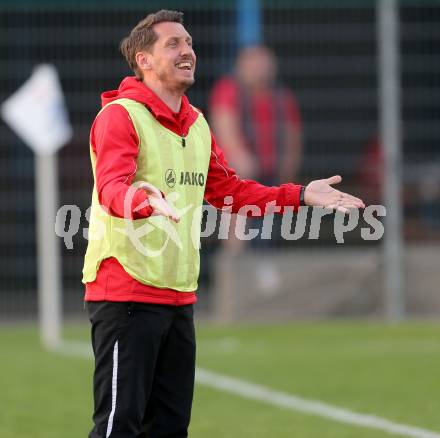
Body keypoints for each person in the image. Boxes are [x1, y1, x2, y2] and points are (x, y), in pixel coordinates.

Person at [82, 10, 364, 438]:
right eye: (173, 44)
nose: (187, 51)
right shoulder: (120, 117)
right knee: (119, 427)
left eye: (189, 43)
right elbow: (111, 189)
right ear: (144, 60)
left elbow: (231, 194)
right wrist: (143, 199)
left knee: (171, 428)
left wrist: (301, 194)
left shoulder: (196, 124)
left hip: (177, 300)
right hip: (126, 295)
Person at [209, 45, 302, 186]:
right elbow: (226, 133)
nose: (259, 70)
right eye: (253, 65)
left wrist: (286, 174)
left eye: (262, 64)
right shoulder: (227, 90)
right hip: (241, 177)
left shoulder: (282, 96)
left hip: (275, 175)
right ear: (240, 67)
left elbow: (293, 139)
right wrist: (244, 167)